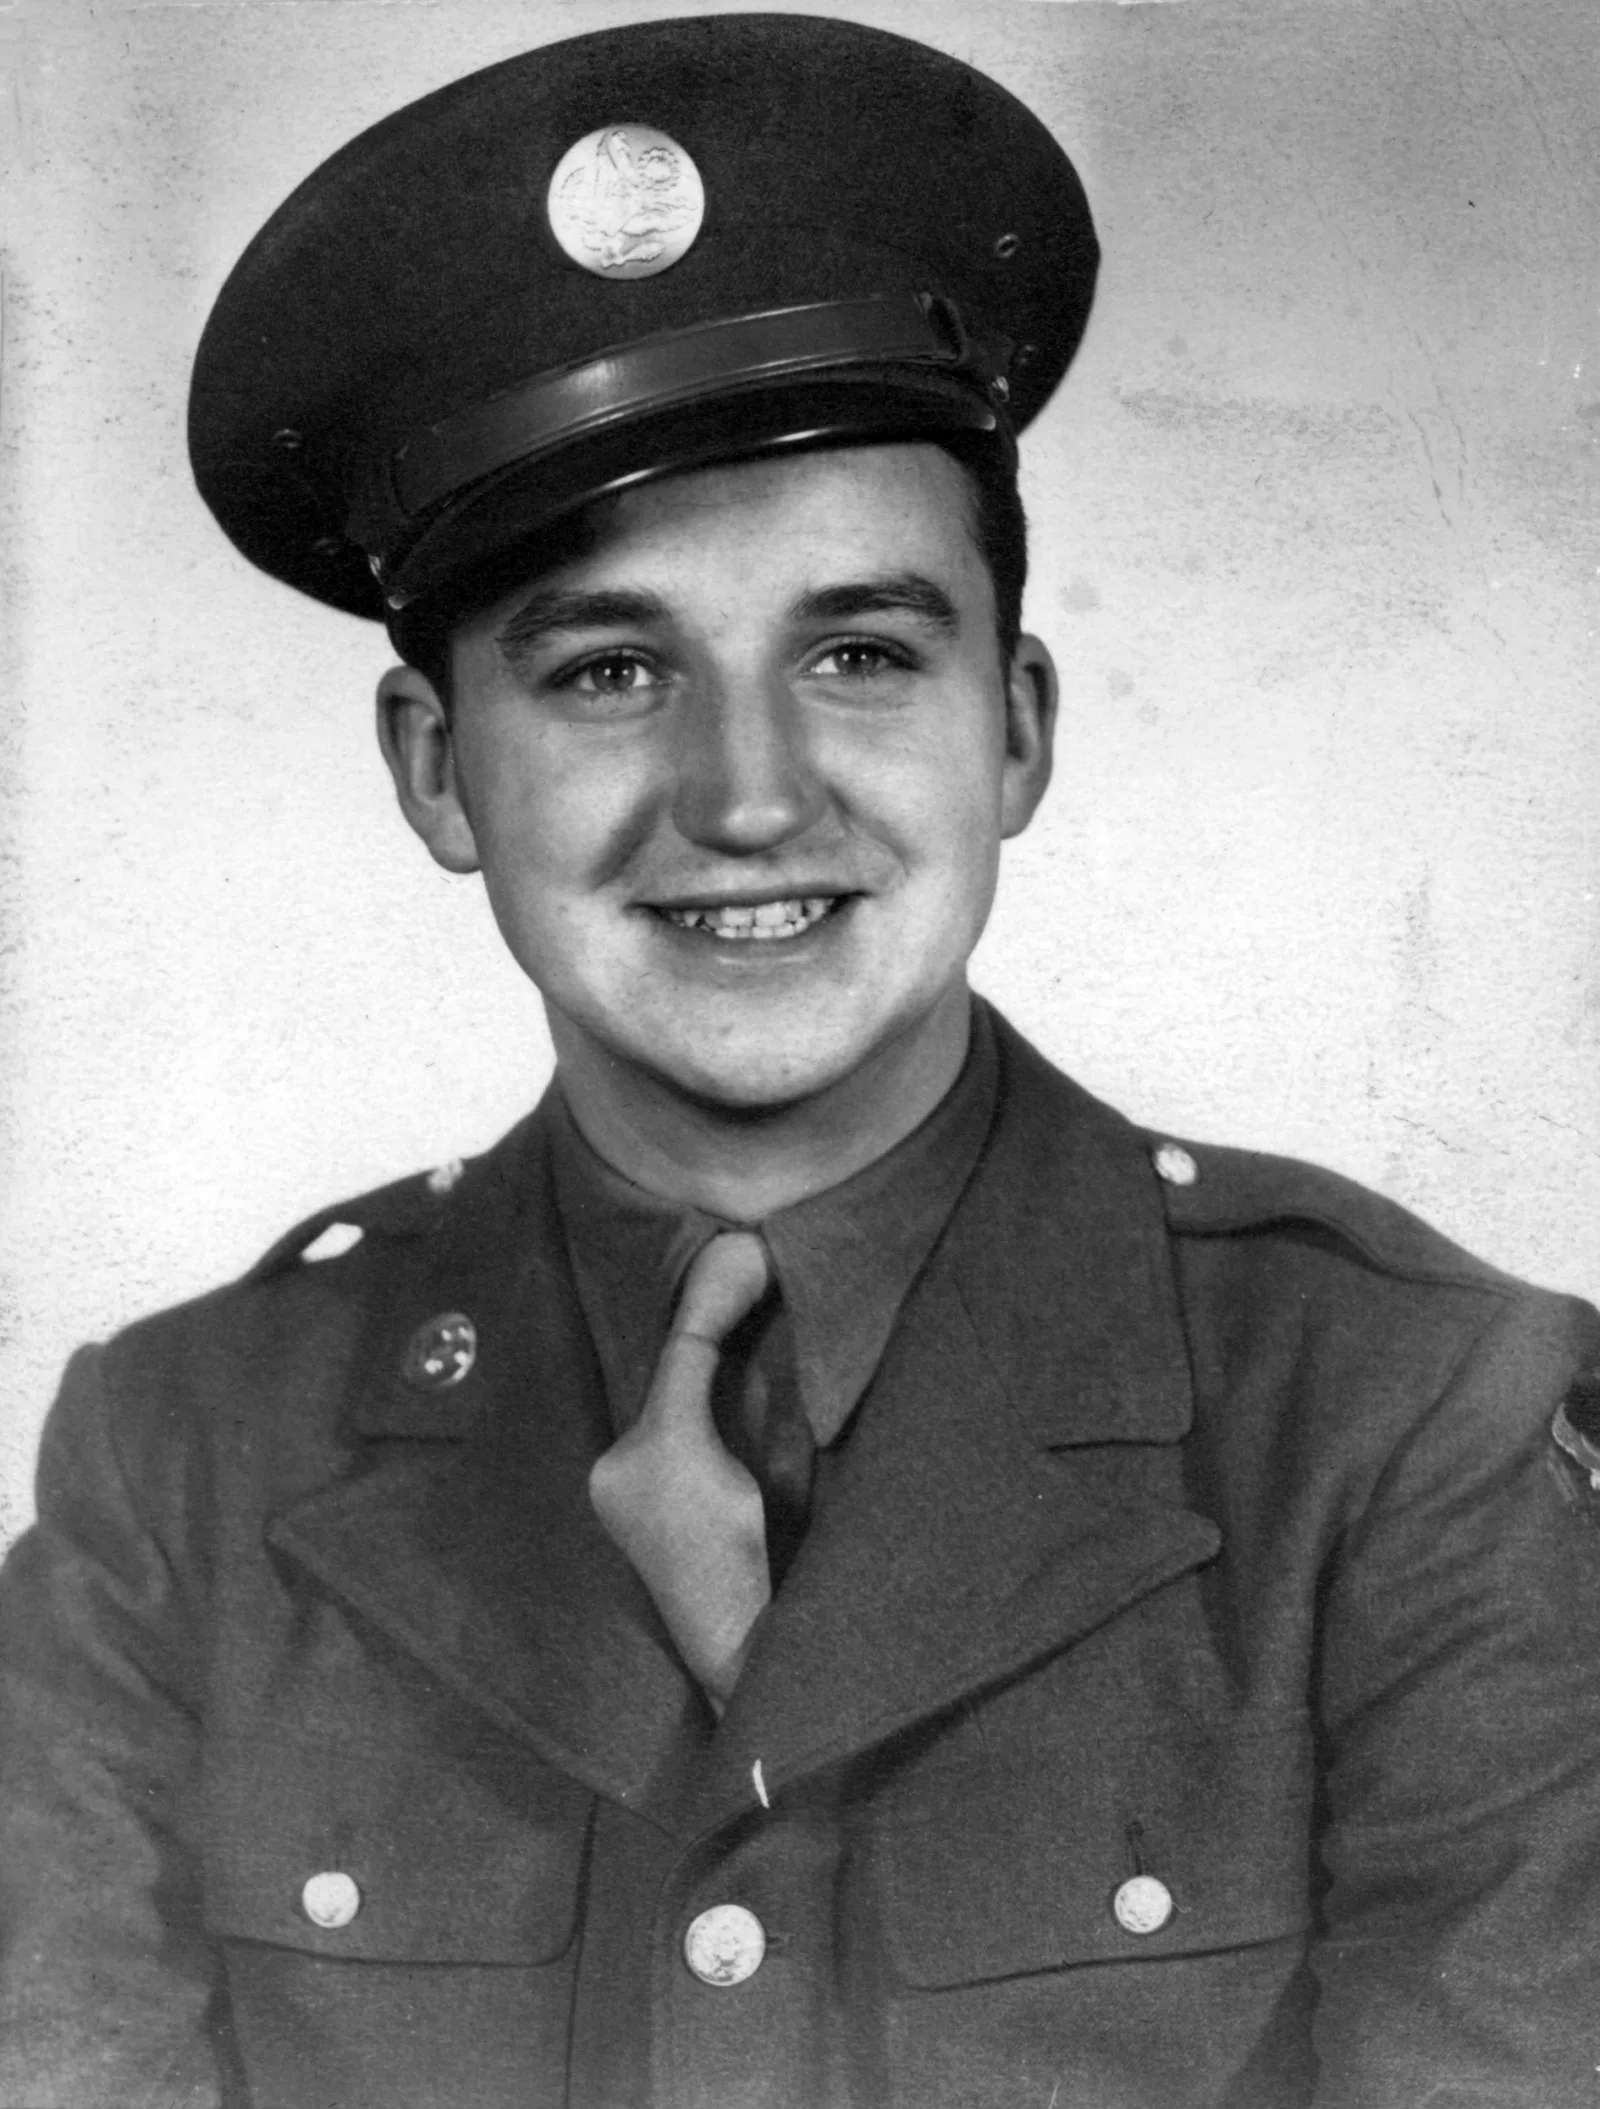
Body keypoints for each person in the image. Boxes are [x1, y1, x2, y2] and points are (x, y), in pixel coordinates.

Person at [2, 12, 1599, 2107]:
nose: (745, 795)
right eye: (604, 669)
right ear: (434, 766)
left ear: (1013, 725)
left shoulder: (1411, 1425)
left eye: (856, 654)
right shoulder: (182, 1467)